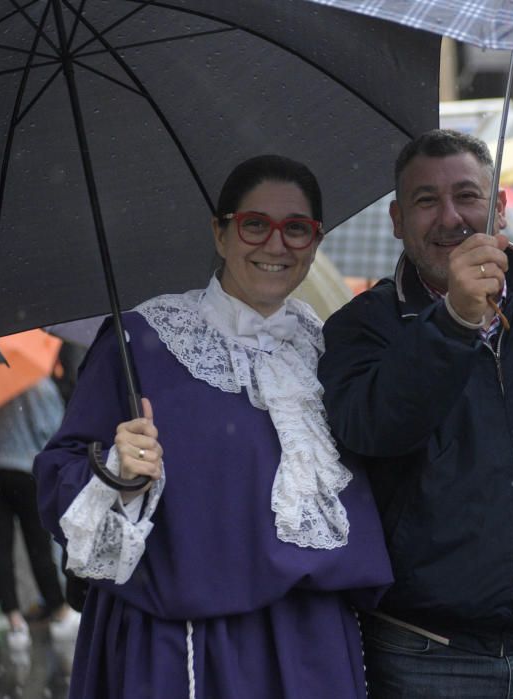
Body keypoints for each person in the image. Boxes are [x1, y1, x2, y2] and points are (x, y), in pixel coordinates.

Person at [33, 155, 392, 698]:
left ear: (315, 243)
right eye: (254, 224)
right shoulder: (140, 343)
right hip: (185, 645)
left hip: (310, 644)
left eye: (296, 229)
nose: (276, 245)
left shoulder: (329, 350)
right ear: (220, 234)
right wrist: (117, 474)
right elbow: (59, 474)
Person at [318, 129, 513, 698]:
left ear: (499, 209)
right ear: (397, 219)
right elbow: (371, 431)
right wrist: (454, 322)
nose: (450, 217)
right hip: (424, 654)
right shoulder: (360, 326)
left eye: (467, 196)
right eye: (426, 201)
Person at [0, 375, 80, 653]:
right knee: (38, 541)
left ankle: (14, 621)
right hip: (25, 468)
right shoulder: (31, 380)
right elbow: (50, 427)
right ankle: (59, 610)